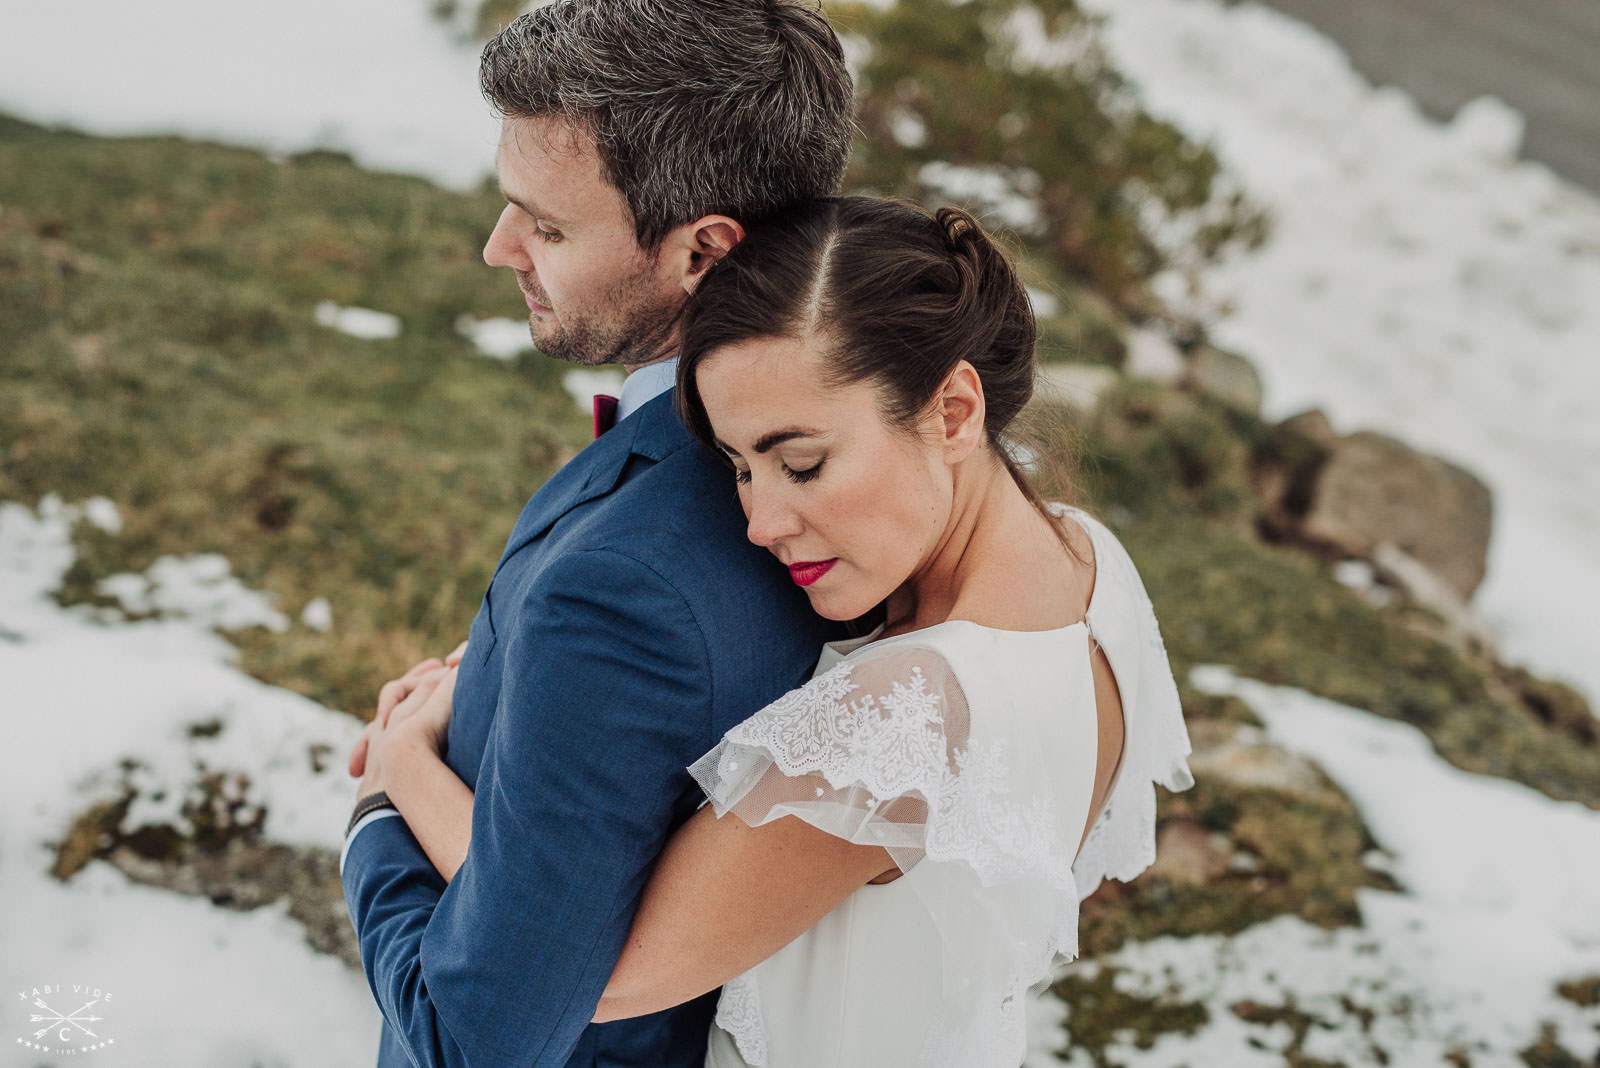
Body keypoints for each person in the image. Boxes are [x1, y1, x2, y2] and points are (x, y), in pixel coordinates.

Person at [371, 196, 1195, 1067]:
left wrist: (401, 769)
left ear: (954, 411)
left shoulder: (902, 721)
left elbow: (578, 965)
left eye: (801, 463)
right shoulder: (1088, 562)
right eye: (739, 468)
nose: (763, 522)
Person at [338, 3, 855, 1067]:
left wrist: (384, 799)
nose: (498, 249)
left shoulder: (630, 582)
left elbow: (470, 1039)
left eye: (548, 225)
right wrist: (495, 682)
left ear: (703, 251)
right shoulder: (822, 461)